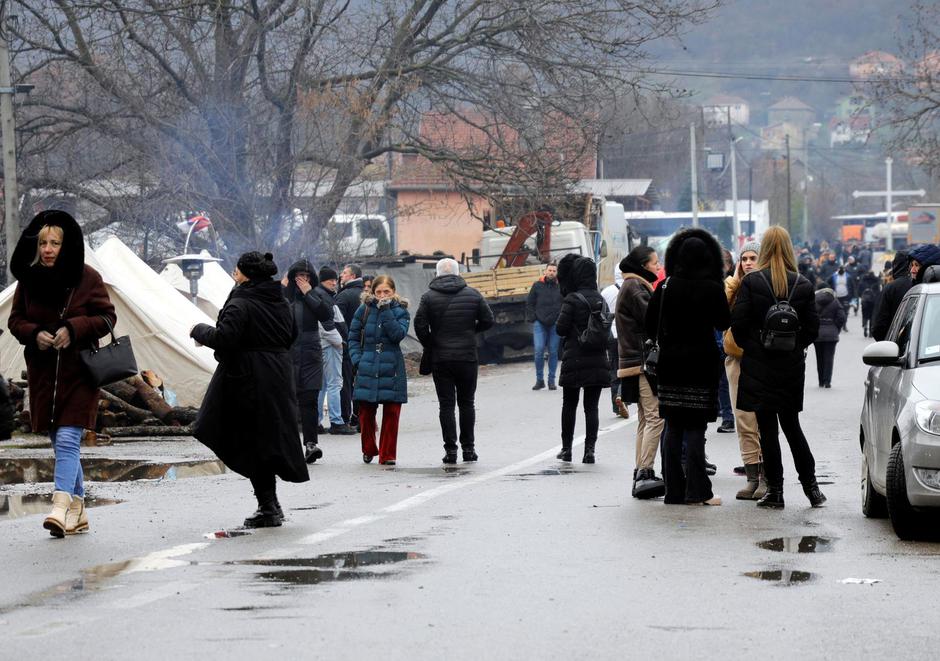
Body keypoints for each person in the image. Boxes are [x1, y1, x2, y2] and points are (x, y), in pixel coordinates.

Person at [8, 210, 116, 537]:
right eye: (43, 243)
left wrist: (74, 327)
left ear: (67, 245)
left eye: (55, 242)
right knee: (60, 441)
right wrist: (34, 332)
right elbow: (15, 321)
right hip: (43, 376)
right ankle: (78, 508)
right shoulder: (28, 280)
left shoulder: (88, 278)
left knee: (69, 438)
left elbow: (107, 318)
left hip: (80, 372)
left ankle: (59, 505)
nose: (48, 249)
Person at [191, 251, 308, 528]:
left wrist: (198, 330)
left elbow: (225, 337)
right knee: (266, 438)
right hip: (278, 373)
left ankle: (268, 506)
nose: (234, 274)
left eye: (237, 270)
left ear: (245, 274)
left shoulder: (242, 301)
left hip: (247, 376)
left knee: (249, 439)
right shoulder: (280, 300)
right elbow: (292, 335)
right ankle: (270, 504)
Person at [731, 226, 825, 510]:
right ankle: (812, 489)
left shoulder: (752, 281)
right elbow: (812, 329)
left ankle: (776, 491)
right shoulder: (803, 284)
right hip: (790, 366)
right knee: (793, 427)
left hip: (759, 366)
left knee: (768, 431)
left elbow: (738, 324)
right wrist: (793, 347)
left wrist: (756, 347)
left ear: (765, 249)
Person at [646, 228, 729, 506]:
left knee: (673, 426)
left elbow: (649, 325)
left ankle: (674, 490)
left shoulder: (666, 286)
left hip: (670, 363)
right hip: (701, 361)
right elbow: (723, 323)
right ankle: (698, 490)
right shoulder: (713, 288)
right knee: (695, 428)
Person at [414, 258, 494, 463]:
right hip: (467, 356)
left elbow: (420, 324)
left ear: (437, 274)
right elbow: (488, 320)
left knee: (446, 405)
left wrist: (431, 342)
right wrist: (470, 332)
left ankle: (450, 450)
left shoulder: (428, 297)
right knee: (467, 403)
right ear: (459, 273)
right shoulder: (473, 294)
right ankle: (469, 449)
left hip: (442, 358)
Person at [614, 247, 664, 497]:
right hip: (642, 361)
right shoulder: (635, 287)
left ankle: (641, 470)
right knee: (656, 416)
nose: (658, 266)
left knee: (646, 417)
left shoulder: (634, 285)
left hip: (636, 361)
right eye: (655, 262)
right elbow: (653, 319)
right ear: (644, 265)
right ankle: (645, 471)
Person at [349, 275, 411, 465]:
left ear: (393, 292)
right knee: (366, 412)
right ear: (372, 292)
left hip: (392, 366)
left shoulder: (401, 311)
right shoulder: (364, 309)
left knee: (392, 412)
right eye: (379, 292)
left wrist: (386, 311)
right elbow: (352, 337)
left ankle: (388, 455)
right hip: (367, 365)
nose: (382, 295)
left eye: (387, 292)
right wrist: (358, 360)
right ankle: (368, 449)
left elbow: (397, 335)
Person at [555, 254, 610, 463]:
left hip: (575, 358)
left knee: (569, 405)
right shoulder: (600, 298)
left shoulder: (572, 299)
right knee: (591, 407)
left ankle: (567, 449)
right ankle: (590, 451)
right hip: (597, 358)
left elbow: (560, 329)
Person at [723, 240, 766, 500]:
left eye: (753, 257)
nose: (748, 262)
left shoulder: (769, 285)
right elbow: (720, 313)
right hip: (736, 358)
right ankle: (752, 475)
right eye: (745, 258)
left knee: (762, 420)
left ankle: (766, 476)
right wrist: (734, 282)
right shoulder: (734, 285)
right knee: (743, 419)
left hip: (761, 359)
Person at [282, 259, 334, 463]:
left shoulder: (317, 294)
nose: (302, 280)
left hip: (311, 351)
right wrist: (282, 287)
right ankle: (289, 444)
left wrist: (308, 293)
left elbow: (326, 316)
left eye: (306, 276)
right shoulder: (284, 295)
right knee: (288, 399)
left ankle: (311, 444)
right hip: (288, 352)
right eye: (298, 276)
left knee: (310, 399)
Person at [316, 266, 355, 435]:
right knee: (334, 383)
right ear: (322, 281)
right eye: (330, 280)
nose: (334, 282)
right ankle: (337, 421)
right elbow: (327, 325)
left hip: (323, 345)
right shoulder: (325, 297)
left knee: (323, 385)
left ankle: (316, 421)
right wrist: (340, 343)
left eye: (334, 279)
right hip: (330, 346)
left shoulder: (320, 295)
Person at [336, 264, 365, 430]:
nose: (341, 275)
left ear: (353, 276)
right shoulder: (366, 294)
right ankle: (362, 418)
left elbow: (335, 320)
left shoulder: (344, 295)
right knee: (362, 383)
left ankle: (345, 417)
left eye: (344, 273)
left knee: (346, 383)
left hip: (347, 345)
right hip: (365, 345)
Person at [525, 262, 562, 390]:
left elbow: (566, 303)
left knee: (553, 351)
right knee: (539, 350)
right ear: (545, 272)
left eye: (554, 271)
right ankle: (539, 380)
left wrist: (561, 319)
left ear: (557, 273)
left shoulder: (561, 286)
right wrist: (533, 318)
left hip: (555, 324)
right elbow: (530, 303)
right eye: (549, 270)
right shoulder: (537, 285)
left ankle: (551, 380)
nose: (551, 272)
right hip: (539, 323)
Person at [601, 266, 629, 417]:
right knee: (628, 367)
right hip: (627, 334)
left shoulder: (606, 291)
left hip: (612, 334)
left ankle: (615, 405)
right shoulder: (632, 288)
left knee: (614, 368)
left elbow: (601, 313)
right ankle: (623, 395)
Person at [871, 251, 912, 342]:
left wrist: (886, 342)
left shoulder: (890, 288)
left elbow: (878, 324)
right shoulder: (922, 284)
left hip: (895, 344)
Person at [813, 286, 846, 388]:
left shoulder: (815, 301)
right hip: (831, 334)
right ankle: (827, 381)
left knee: (819, 358)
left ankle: (820, 381)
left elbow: (810, 316)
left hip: (817, 334)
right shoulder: (835, 302)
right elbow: (841, 317)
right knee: (829, 358)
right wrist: (836, 327)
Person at [828, 264, 855, 330]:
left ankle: (844, 325)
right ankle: (837, 324)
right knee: (836, 311)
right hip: (836, 297)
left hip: (846, 296)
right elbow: (827, 283)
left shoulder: (848, 276)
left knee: (845, 311)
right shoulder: (834, 276)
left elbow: (853, 286)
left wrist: (853, 297)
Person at [857, 269, 882, 337]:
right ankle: (871, 332)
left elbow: (859, 291)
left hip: (864, 301)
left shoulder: (863, 281)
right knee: (872, 317)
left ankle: (865, 326)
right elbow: (879, 292)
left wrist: (861, 296)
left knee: (865, 315)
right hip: (873, 302)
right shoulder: (876, 281)